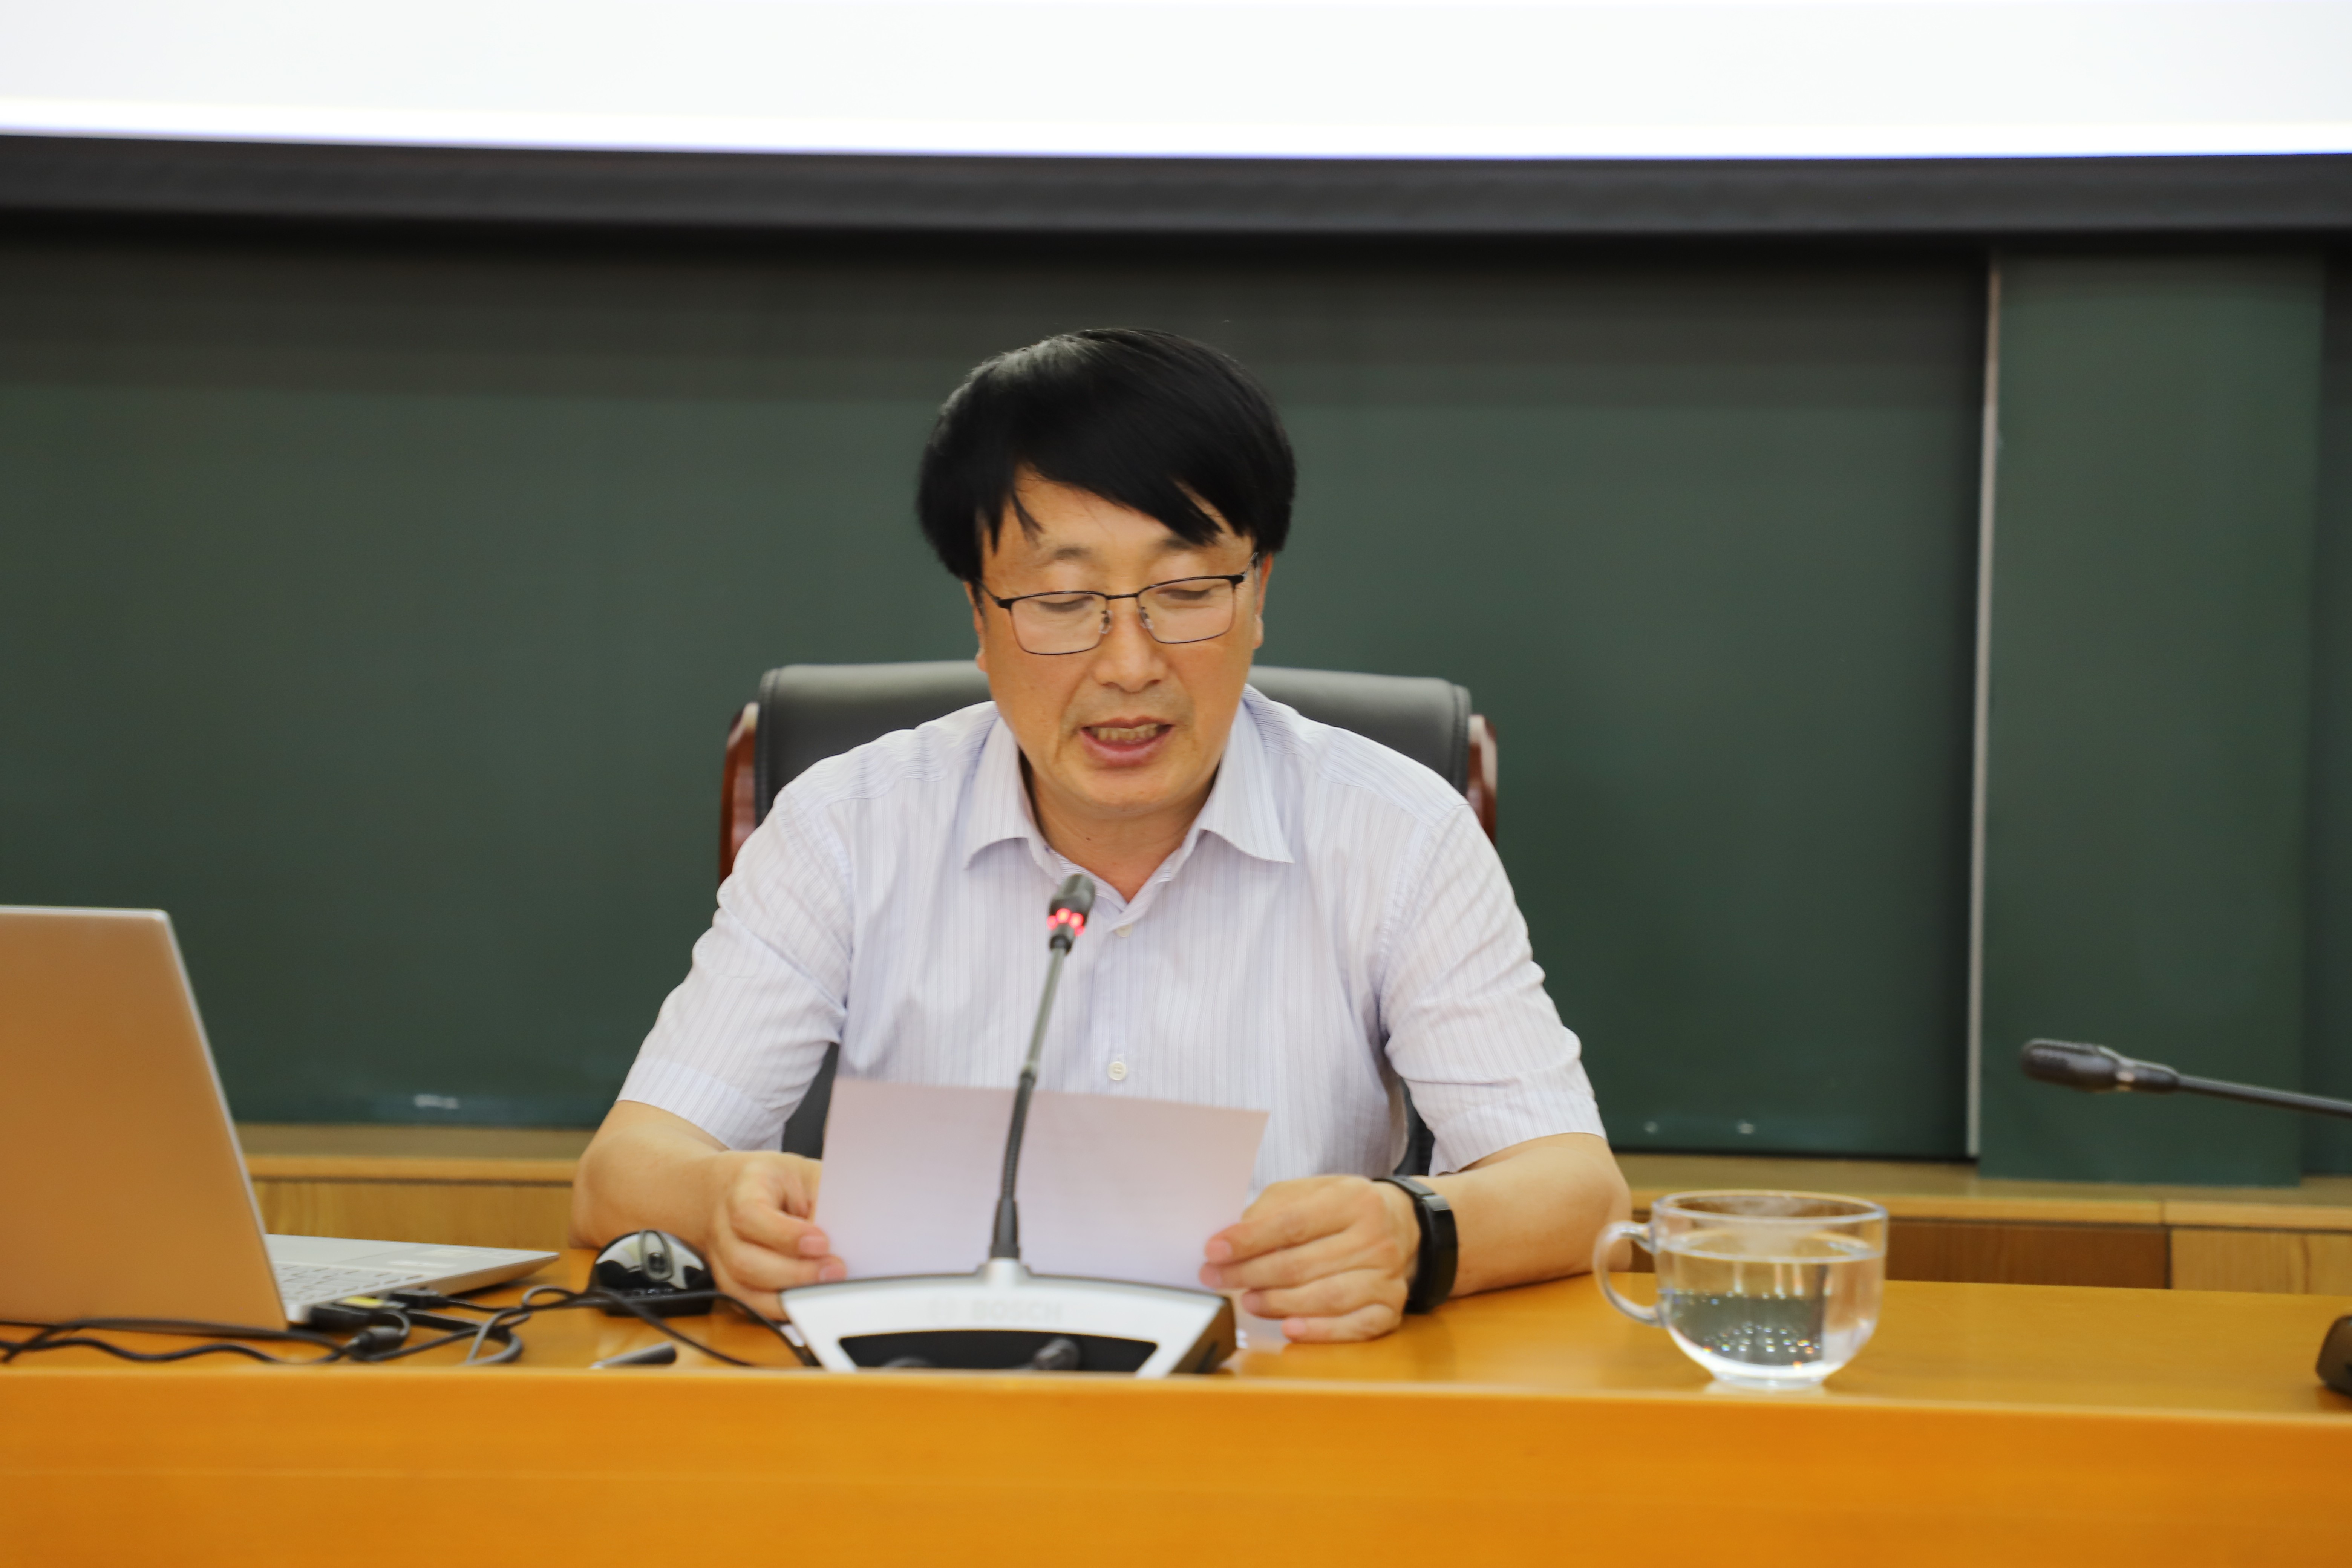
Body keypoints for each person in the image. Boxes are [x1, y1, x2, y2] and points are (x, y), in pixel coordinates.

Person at [573, 327, 1629, 1343]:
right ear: (980, 614)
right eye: (1063, 600)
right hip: (926, 1410)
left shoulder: (1399, 832)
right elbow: (621, 1174)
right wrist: (720, 1202)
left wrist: (1414, 1232)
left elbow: (1579, 1191)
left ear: (1259, 591)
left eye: (1187, 592)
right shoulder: (844, 827)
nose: (1129, 664)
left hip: (1282, 1412)